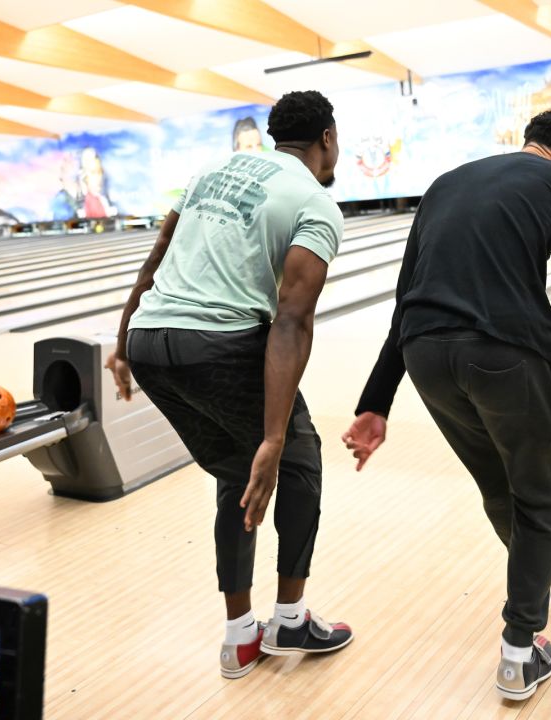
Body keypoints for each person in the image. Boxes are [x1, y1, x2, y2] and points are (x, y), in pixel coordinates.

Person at [341, 106, 551, 700]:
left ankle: (534, 561)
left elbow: (407, 299)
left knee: (498, 486)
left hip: (426, 356)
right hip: (507, 355)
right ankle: (519, 652)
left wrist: (375, 401)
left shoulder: (444, 185)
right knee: (539, 497)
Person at [106, 90, 354, 680]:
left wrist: (121, 346)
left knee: (235, 473)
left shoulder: (210, 171)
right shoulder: (314, 203)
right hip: (216, 346)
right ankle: (289, 618)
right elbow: (292, 319)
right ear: (327, 138)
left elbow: (155, 260)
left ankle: (240, 636)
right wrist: (274, 437)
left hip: (150, 343)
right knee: (295, 459)